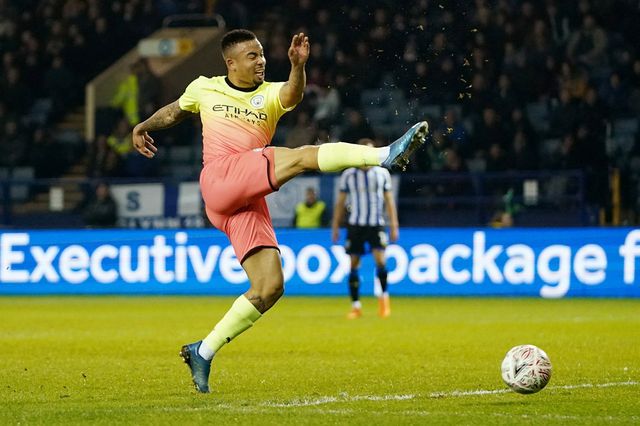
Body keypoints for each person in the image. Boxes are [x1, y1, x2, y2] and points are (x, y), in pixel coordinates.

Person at [132, 29, 428, 393]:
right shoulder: (204, 87)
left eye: (261, 54)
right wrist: (144, 125)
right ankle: (383, 156)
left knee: (269, 287)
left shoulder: (270, 93)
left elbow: (292, 93)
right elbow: (175, 111)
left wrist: (297, 67)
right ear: (231, 62)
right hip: (220, 177)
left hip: (244, 200)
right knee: (303, 157)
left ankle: (203, 351)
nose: (261, 61)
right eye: (253, 56)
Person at [331, 138, 399, 320]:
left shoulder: (382, 173)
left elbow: (389, 201)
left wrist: (394, 225)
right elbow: (340, 203)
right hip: (355, 225)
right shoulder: (348, 175)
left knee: (381, 261)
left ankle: (384, 300)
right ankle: (356, 306)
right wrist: (335, 226)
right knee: (353, 264)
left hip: (376, 223)